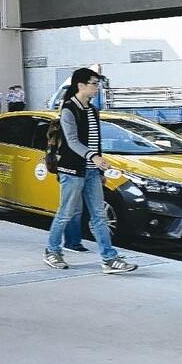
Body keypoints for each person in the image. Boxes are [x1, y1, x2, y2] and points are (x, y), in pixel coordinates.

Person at [44, 68, 138, 275]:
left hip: (92, 172)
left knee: (99, 215)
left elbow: (96, 144)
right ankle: (52, 250)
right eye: (94, 83)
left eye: (97, 84)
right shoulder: (69, 109)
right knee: (65, 213)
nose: (97, 88)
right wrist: (93, 158)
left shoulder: (93, 110)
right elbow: (72, 141)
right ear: (81, 85)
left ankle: (109, 258)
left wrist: (99, 168)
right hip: (71, 171)